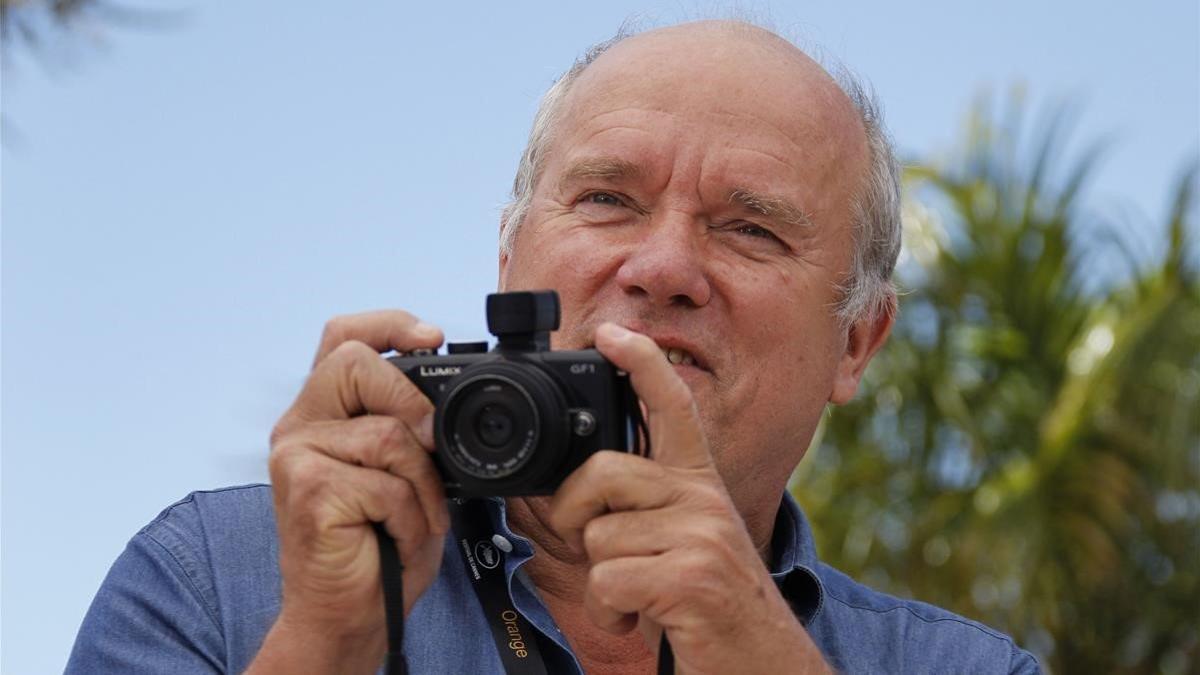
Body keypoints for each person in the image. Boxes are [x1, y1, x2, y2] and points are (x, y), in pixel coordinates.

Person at [67, 19, 1040, 674]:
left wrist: (754, 645)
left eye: (752, 228)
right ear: (510, 261)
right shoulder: (215, 578)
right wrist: (324, 641)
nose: (663, 267)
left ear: (857, 344)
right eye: (608, 199)